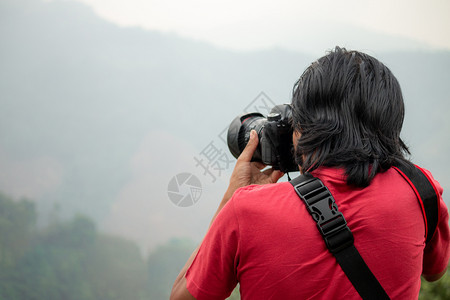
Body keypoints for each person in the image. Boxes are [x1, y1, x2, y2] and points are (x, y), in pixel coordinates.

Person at [170, 47, 450, 299]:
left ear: (303, 127)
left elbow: (182, 298)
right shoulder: (420, 188)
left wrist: (232, 198)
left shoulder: (246, 211)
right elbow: (434, 270)